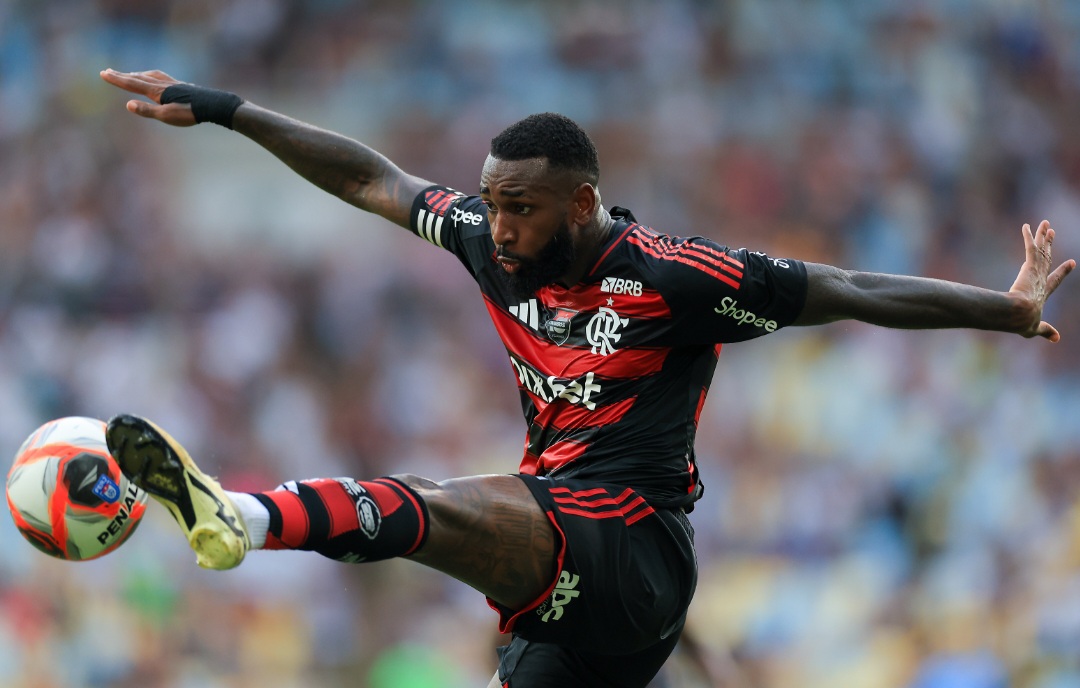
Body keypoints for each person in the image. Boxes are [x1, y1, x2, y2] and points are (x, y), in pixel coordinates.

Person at [98, 68, 1074, 688]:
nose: (501, 225)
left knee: (441, 503)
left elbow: (850, 285)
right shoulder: (491, 242)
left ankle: (245, 518)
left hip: (634, 550)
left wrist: (1005, 305)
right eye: (491, 204)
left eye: (521, 207)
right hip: (567, 624)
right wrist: (227, 110)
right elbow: (373, 180)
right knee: (470, 513)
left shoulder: (677, 277)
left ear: (583, 200)